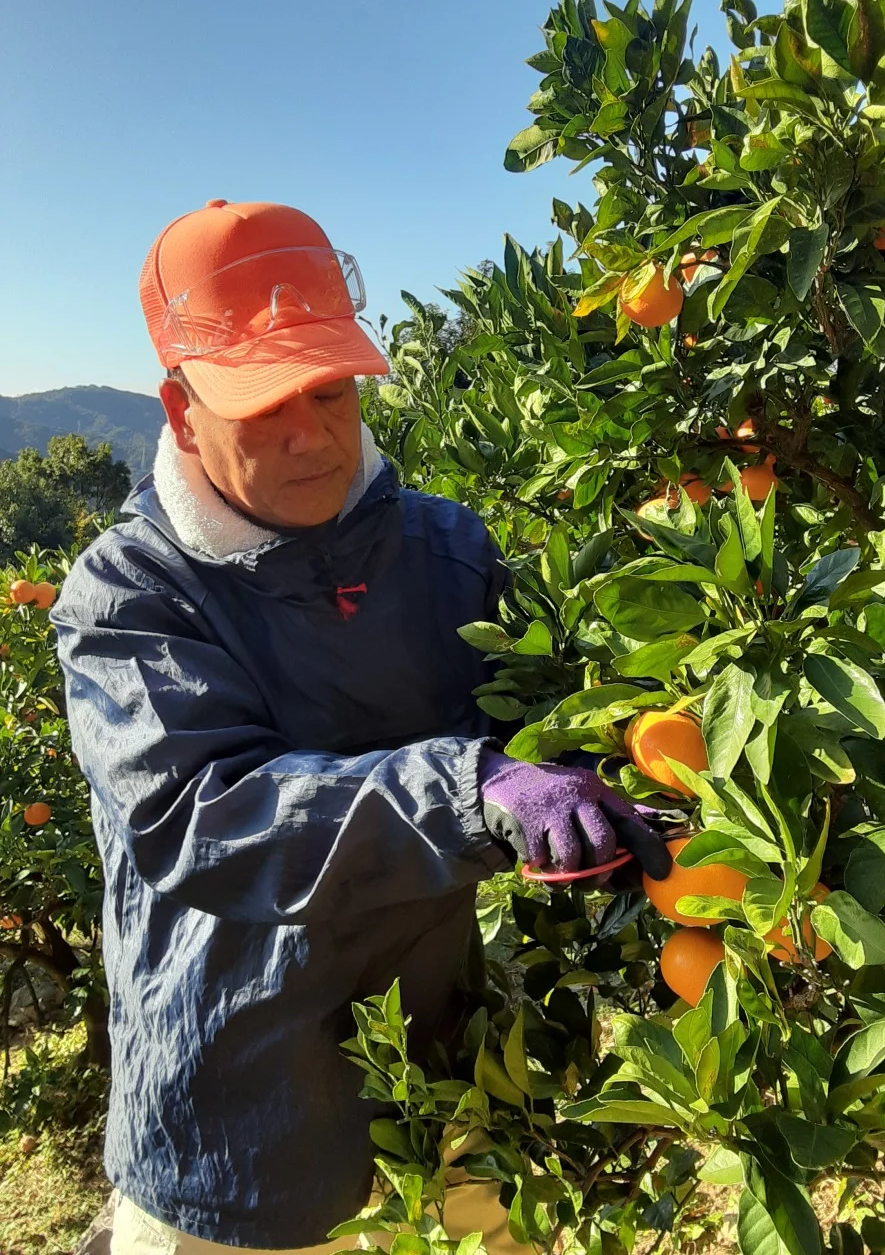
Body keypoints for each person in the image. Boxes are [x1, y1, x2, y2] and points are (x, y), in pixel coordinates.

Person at [52, 200, 669, 1254]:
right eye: (262, 404)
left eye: (329, 389)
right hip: (240, 1136)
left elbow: (537, 724)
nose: (310, 434)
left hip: (447, 1095)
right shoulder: (130, 596)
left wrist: (603, 779)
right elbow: (208, 820)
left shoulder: (443, 546)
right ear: (179, 407)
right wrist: (471, 790)